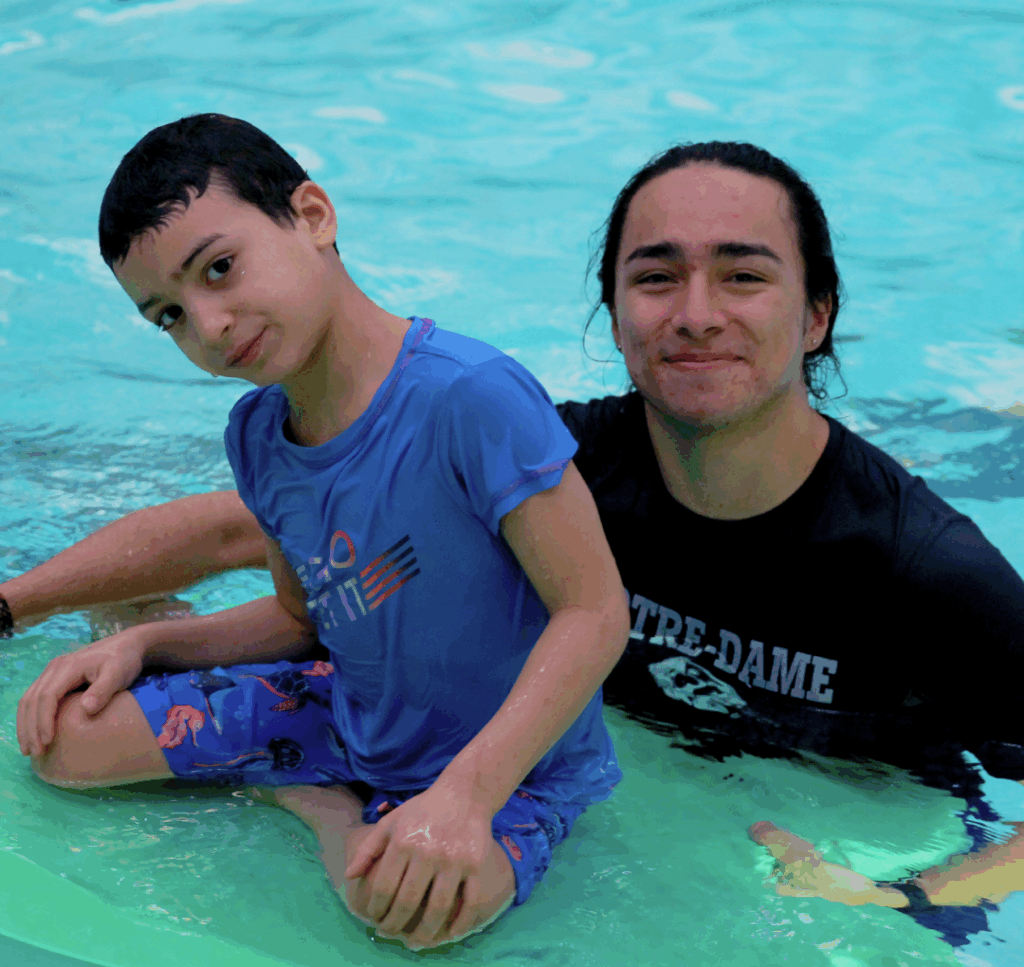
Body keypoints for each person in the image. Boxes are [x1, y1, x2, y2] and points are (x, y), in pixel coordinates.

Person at [6, 140, 1024, 943]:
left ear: (817, 314)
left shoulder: (926, 572)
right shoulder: (570, 458)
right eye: (656, 277)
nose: (696, 314)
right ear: (615, 316)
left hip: (821, 800)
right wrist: (27, 606)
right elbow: (253, 529)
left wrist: (900, 898)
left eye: (744, 276)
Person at [8, 114, 631, 952]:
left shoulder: (470, 396)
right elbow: (300, 620)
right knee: (65, 744)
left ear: (311, 216)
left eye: (219, 269)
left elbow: (594, 612)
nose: (209, 326)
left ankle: (315, 802)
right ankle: (321, 780)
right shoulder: (258, 435)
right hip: (348, 713)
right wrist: (148, 643)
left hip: (512, 768)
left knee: (416, 912)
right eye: (170, 316)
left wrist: (465, 796)